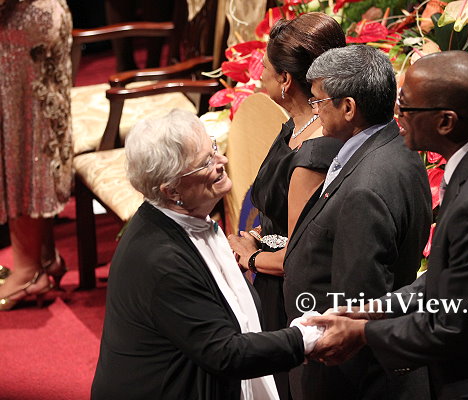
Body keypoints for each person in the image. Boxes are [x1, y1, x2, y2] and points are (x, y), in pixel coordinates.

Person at [306, 50, 468, 399]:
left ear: (445, 122)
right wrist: (376, 309)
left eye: (406, 108)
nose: (397, 115)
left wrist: (361, 334)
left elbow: (453, 326)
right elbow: (452, 274)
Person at [91, 109, 322, 400]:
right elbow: (226, 353)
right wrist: (306, 339)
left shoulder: (187, 218)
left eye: (213, 148)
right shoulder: (162, 261)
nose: (221, 161)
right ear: (172, 190)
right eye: (206, 162)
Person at [283, 44, 432, 400]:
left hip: (345, 378)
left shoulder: (366, 188)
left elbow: (357, 308)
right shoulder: (395, 147)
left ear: (348, 108)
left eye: (319, 101)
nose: (315, 111)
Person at [226, 14, 345, 397]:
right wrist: (261, 234)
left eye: (265, 66)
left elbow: (301, 254)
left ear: (285, 79)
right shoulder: (297, 125)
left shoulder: (314, 152)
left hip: (290, 298)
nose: (258, 74)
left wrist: (250, 257)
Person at [0, 0, 71, 310]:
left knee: (22, 143)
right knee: (35, 137)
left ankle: (28, 271)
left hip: (19, 25)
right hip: (31, 19)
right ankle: (42, 256)